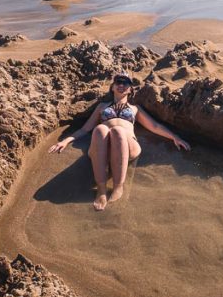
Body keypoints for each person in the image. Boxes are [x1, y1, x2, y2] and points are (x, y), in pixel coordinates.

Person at [48, 72, 190, 211]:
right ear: (112, 87)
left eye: (126, 83)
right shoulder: (102, 107)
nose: (121, 85)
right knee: (100, 129)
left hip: (128, 146)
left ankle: (118, 185)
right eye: (118, 82)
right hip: (103, 148)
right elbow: (85, 129)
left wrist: (174, 137)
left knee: (118, 131)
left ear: (130, 89)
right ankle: (101, 189)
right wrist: (65, 141)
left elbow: (154, 126)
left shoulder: (135, 109)